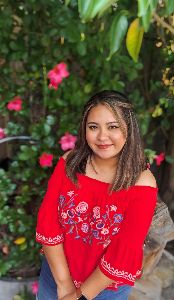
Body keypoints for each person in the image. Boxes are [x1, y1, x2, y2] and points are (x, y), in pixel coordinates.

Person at [35, 90, 158, 300]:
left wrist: (78, 297)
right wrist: (64, 285)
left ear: (128, 129)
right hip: (55, 275)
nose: (102, 137)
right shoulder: (70, 164)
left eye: (113, 127)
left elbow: (123, 252)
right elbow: (48, 222)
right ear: (84, 130)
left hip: (105, 289)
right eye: (93, 127)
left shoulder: (142, 183)